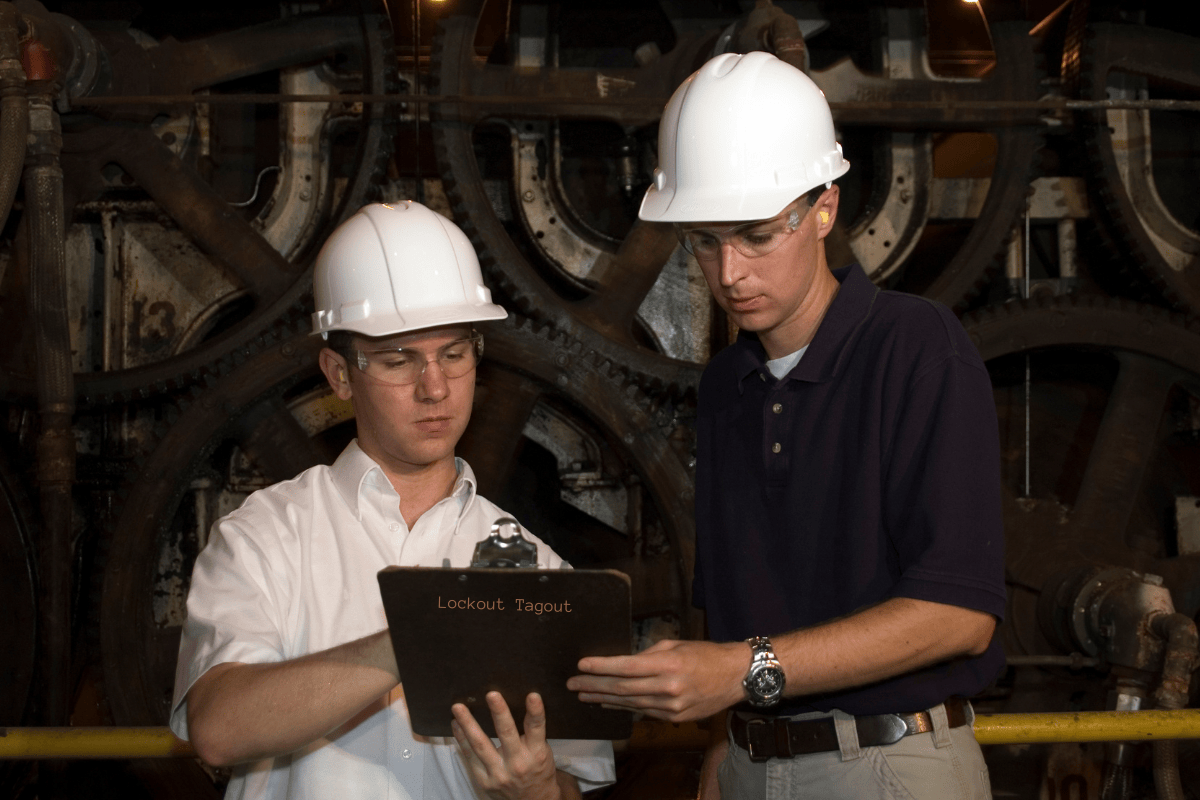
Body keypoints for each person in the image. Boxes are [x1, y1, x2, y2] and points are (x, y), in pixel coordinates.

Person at [568, 51, 1006, 799]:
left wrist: (742, 672)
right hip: (752, 760)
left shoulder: (915, 345)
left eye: (757, 236)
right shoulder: (727, 386)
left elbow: (959, 614)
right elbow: (740, 611)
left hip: (892, 764)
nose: (729, 272)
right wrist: (724, 745)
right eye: (704, 241)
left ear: (825, 208)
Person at [169, 201, 615, 799]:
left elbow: (571, 784)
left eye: (453, 355)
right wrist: (415, 637)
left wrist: (537, 790)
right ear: (339, 374)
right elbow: (218, 729)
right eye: (399, 359)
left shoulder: (537, 570)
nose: (434, 387)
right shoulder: (266, 537)